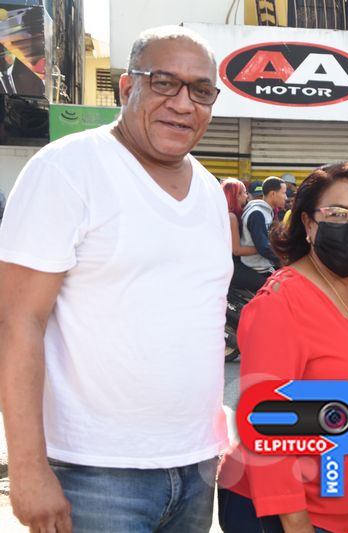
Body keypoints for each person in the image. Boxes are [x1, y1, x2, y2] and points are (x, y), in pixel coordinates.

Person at [0, 26, 230, 532]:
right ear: (127, 88)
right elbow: (17, 322)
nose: (183, 104)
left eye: (201, 90)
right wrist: (28, 469)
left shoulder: (211, 191)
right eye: (164, 83)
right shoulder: (67, 169)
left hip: (195, 467)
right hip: (92, 474)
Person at [217, 160, 348, 533]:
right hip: (288, 515)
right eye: (336, 213)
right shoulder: (280, 303)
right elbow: (268, 427)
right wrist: (295, 522)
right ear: (307, 224)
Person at [223, 177, 269, 292]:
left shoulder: (236, 213)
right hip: (233, 267)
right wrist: (263, 247)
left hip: (238, 264)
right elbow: (236, 250)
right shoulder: (231, 217)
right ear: (236, 196)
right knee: (268, 286)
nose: (247, 196)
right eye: (244, 193)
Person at [241, 176, 286, 276]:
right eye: (283, 193)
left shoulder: (266, 212)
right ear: (273, 194)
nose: (286, 197)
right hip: (258, 269)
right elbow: (264, 247)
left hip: (264, 266)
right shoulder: (257, 214)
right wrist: (285, 259)